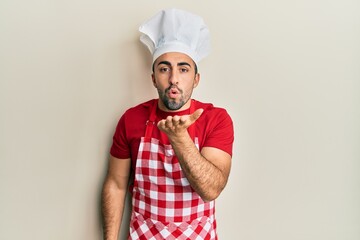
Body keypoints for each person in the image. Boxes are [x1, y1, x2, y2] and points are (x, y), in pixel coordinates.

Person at [101, 8, 234, 240]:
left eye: (183, 69)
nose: (174, 78)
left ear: (196, 79)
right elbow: (116, 184)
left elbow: (211, 189)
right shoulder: (131, 119)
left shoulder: (216, 119)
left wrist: (179, 138)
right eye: (164, 69)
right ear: (153, 77)